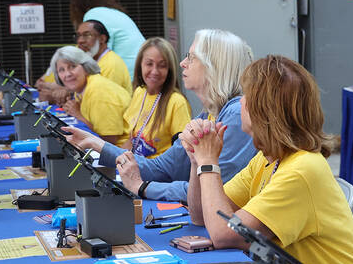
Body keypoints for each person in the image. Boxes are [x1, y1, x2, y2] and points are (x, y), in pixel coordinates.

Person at [185, 55, 353, 264]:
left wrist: (208, 163)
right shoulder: (268, 159)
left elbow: (222, 234)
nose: (240, 102)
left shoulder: (302, 171)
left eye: (245, 96)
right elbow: (201, 216)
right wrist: (197, 162)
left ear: (261, 110)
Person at [63, 28, 254, 203]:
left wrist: (144, 187)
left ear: (214, 66)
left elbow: (214, 190)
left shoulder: (236, 115)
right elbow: (161, 168)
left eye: (192, 58)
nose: (183, 63)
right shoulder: (209, 113)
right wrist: (95, 143)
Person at [124, 38, 191, 160]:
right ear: (140, 65)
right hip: (133, 168)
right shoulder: (139, 92)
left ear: (170, 70)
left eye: (162, 66)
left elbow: (183, 153)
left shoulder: (176, 102)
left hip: (159, 175)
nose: (154, 71)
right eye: (149, 64)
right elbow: (128, 138)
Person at [51, 45, 130, 145]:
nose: (67, 74)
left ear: (85, 67)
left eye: (73, 66)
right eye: (62, 70)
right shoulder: (82, 87)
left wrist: (78, 114)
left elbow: (109, 141)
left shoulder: (99, 91)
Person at [70, 0, 146, 68]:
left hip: (129, 70)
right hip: (142, 65)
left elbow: (99, 54)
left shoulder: (92, 15)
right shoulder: (114, 12)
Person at [76, 19, 131, 93]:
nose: (80, 40)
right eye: (78, 36)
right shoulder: (85, 56)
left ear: (102, 39)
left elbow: (101, 98)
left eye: (87, 35)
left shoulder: (111, 64)